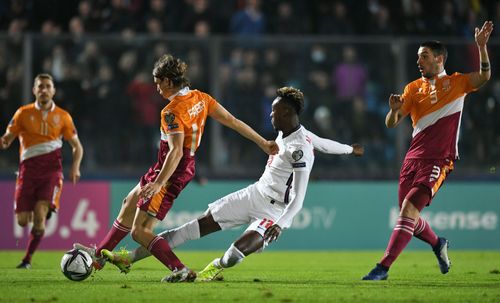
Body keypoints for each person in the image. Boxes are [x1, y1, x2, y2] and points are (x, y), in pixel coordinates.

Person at [101, 86, 364, 282]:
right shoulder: (292, 134)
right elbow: (325, 143)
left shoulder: (299, 150)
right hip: (254, 194)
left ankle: (216, 266)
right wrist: (350, 149)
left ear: (286, 112)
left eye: (274, 110)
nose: (270, 114)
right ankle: (129, 258)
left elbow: (299, 196)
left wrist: (281, 224)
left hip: (273, 212)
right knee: (192, 228)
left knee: (235, 254)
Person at [74, 54, 278, 281]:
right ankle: (99, 257)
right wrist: (263, 142)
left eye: (158, 83)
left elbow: (176, 151)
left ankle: (179, 269)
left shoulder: (171, 112)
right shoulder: (201, 98)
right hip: (177, 168)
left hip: (170, 171)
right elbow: (232, 120)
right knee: (128, 203)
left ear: (169, 81)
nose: (157, 88)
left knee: (140, 231)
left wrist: (159, 182)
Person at [363, 21, 493, 281]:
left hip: (438, 159)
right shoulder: (413, 88)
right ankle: (438, 243)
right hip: (412, 159)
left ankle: (383, 267)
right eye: (417, 57)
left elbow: (485, 76)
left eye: (424, 56)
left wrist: (481, 47)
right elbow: (392, 123)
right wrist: (393, 109)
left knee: (408, 211)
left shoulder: (457, 83)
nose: (419, 61)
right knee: (407, 215)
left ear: (440, 59)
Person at [1, 73, 84, 269]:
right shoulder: (22, 113)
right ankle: (40, 210)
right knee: (22, 221)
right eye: (40, 86)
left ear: (53, 90)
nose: (44, 90)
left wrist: (75, 167)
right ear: (34, 90)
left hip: (51, 172)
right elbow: (7, 137)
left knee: (38, 218)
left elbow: (77, 146)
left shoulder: (63, 116)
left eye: (47, 86)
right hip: (27, 172)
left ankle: (27, 259)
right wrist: (4, 142)